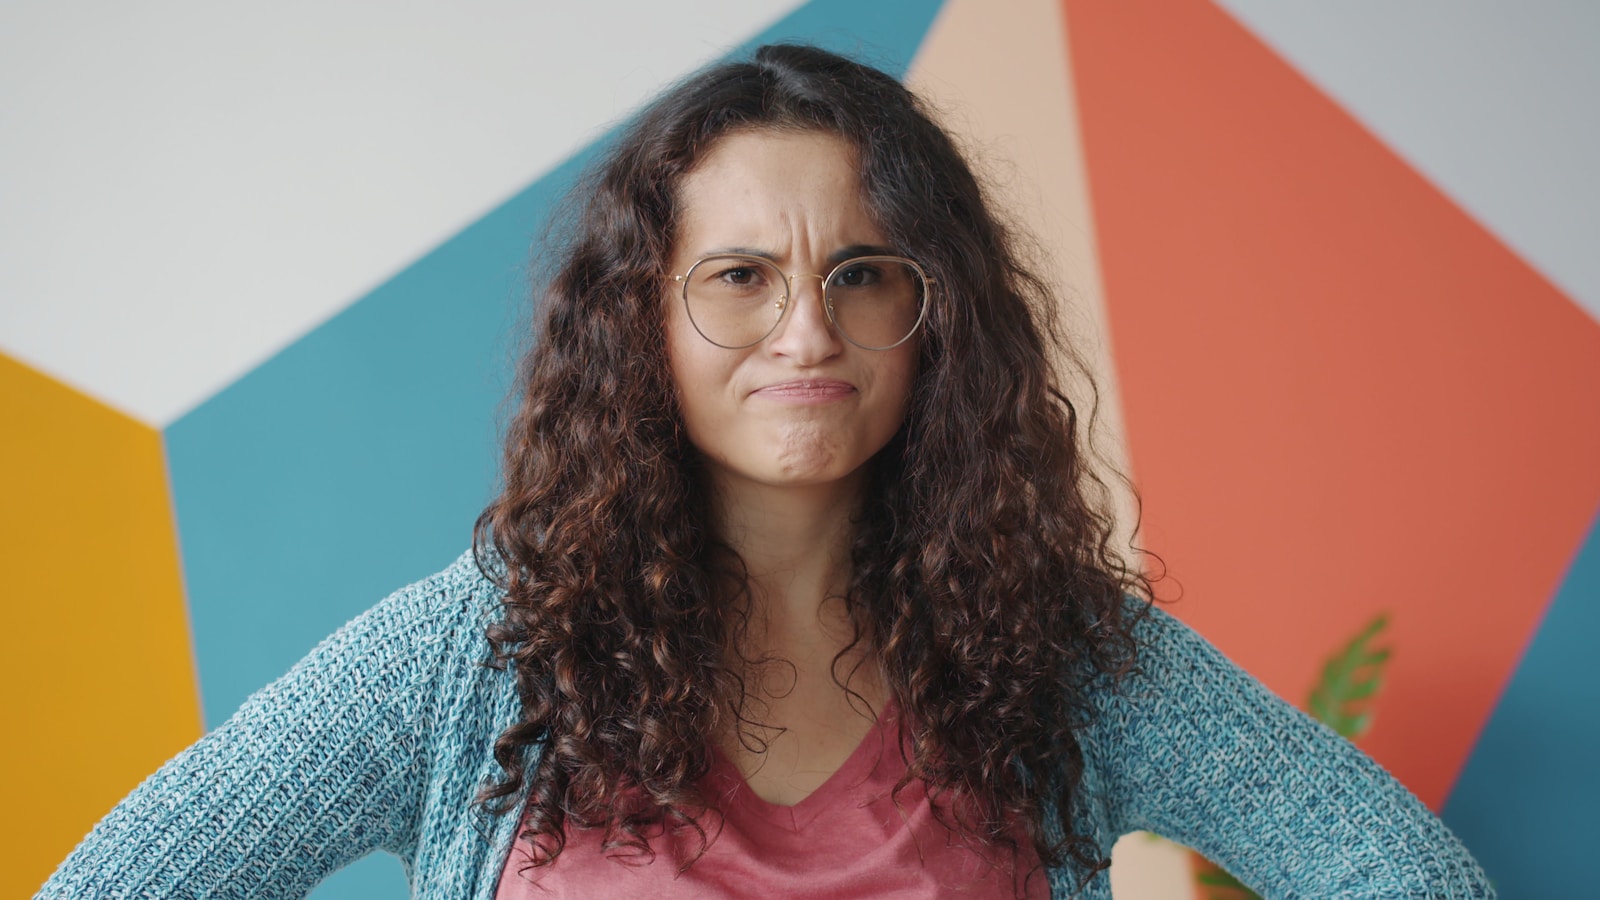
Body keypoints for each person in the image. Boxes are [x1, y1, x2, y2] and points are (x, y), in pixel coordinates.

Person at [39, 43, 1493, 899]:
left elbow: (1409, 878)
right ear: (644, 321)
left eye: (863, 273)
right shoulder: (486, 651)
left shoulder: (1054, 654)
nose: (809, 330)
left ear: (937, 318)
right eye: (740, 274)